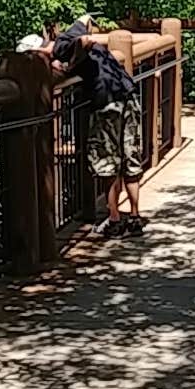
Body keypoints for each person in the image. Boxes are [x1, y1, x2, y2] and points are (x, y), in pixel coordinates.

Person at [51, 19, 145, 238]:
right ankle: (134, 217)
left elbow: (84, 41)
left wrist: (69, 66)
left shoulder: (60, 45)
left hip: (107, 102)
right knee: (130, 158)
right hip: (128, 94)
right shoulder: (77, 32)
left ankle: (114, 219)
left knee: (108, 163)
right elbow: (86, 23)